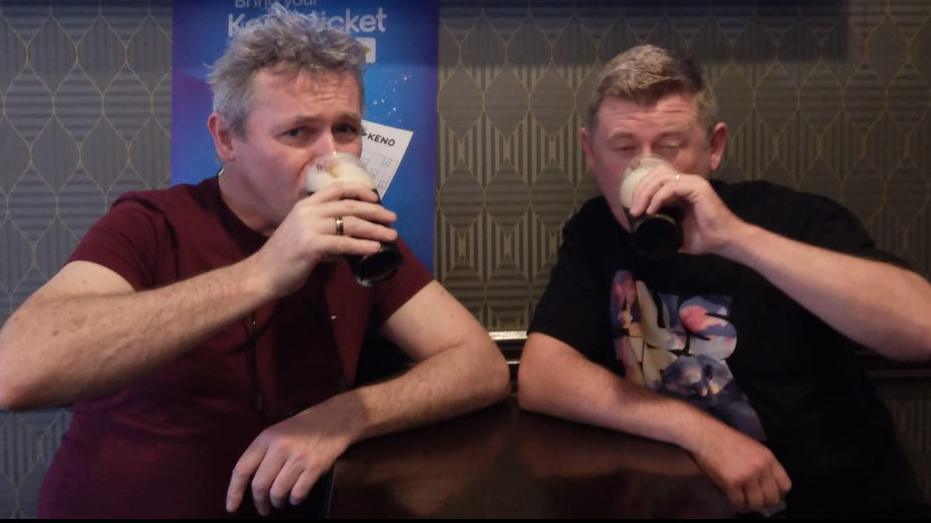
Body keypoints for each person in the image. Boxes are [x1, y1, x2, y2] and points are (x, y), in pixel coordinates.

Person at [0, 6, 509, 518]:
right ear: (226, 138)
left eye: (347, 129)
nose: (331, 158)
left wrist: (342, 417)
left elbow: (480, 367)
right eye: (297, 133)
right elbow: (16, 371)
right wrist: (262, 273)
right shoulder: (154, 223)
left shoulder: (356, 234)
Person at [517, 44, 931, 517]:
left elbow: (922, 327)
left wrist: (733, 238)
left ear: (714, 149)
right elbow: (541, 375)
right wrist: (700, 432)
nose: (647, 167)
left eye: (671, 147)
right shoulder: (596, 231)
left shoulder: (790, 219)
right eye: (624, 148)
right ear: (591, 152)